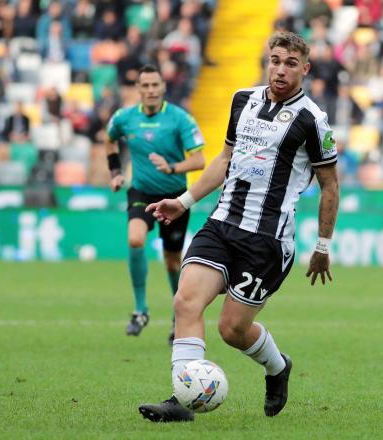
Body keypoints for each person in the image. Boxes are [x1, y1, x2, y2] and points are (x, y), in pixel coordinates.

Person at [138, 31, 340, 423]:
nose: (281, 70)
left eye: (291, 64)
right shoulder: (242, 100)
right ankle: (182, 398)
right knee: (185, 302)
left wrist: (323, 245)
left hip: (267, 240)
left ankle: (278, 367)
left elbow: (331, 186)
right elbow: (224, 158)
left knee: (232, 330)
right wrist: (183, 202)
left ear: (305, 69)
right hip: (222, 222)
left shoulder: (312, 120)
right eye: (276, 60)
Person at [105, 64, 205, 340]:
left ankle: (179, 314)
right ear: (138, 89)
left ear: (163, 87)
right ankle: (140, 310)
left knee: (172, 262)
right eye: (145, 86)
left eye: (155, 85)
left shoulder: (179, 119)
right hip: (140, 192)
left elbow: (199, 160)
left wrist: (171, 167)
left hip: (174, 197)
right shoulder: (124, 118)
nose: (150, 90)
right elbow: (109, 140)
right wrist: (115, 172)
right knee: (135, 239)